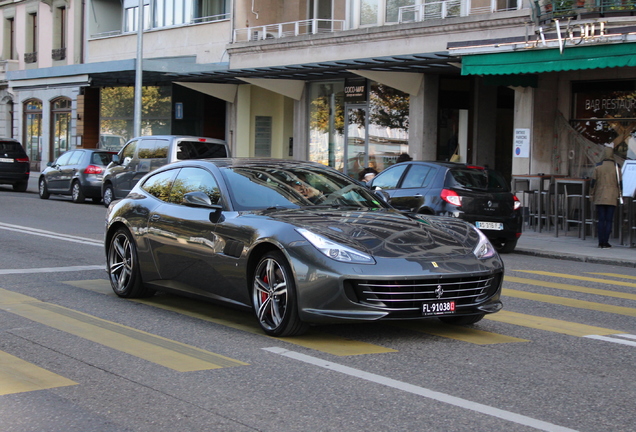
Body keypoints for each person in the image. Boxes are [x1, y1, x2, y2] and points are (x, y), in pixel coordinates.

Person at [590, 146, 622, 249]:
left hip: (600, 195)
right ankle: (606, 241)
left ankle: (600, 242)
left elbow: (593, 183)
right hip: (612, 195)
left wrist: (591, 194)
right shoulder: (617, 167)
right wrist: (620, 195)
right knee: (609, 220)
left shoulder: (598, 166)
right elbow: (620, 183)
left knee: (601, 219)